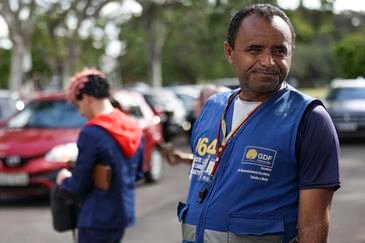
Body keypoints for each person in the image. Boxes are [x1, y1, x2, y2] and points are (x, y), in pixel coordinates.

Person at [170, 4, 341, 243]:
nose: (268, 62)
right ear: (230, 52)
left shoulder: (309, 119)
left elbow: (314, 223)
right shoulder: (212, 108)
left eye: (280, 51)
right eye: (255, 49)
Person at [56, 68, 143, 243]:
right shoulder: (132, 126)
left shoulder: (92, 133)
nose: (81, 112)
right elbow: (138, 173)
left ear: (88, 99)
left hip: (96, 218)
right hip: (121, 213)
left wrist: (64, 179)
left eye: (79, 104)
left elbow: (78, 184)